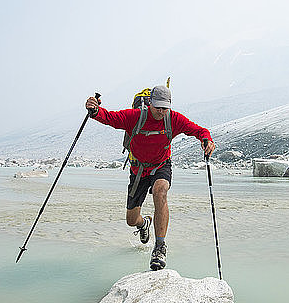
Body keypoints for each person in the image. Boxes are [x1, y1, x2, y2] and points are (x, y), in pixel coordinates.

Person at [85, 85, 215, 271]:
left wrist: (206, 140)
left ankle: (160, 247)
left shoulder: (174, 119)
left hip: (161, 165)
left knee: (160, 190)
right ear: (150, 104)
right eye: (158, 107)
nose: (161, 111)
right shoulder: (135, 116)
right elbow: (110, 118)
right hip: (138, 169)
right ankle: (144, 223)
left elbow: (197, 130)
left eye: (165, 107)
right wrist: (95, 110)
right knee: (131, 219)